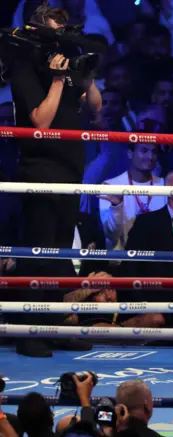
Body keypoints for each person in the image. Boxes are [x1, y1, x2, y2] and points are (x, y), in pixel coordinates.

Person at [10, 5, 102, 358]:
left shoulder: (67, 62)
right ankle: (29, 332)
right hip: (40, 169)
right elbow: (41, 123)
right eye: (55, 31)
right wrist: (58, 80)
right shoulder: (24, 66)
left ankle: (57, 326)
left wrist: (88, 78)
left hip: (70, 168)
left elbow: (95, 108)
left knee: (61, 253)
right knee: (39, 253)